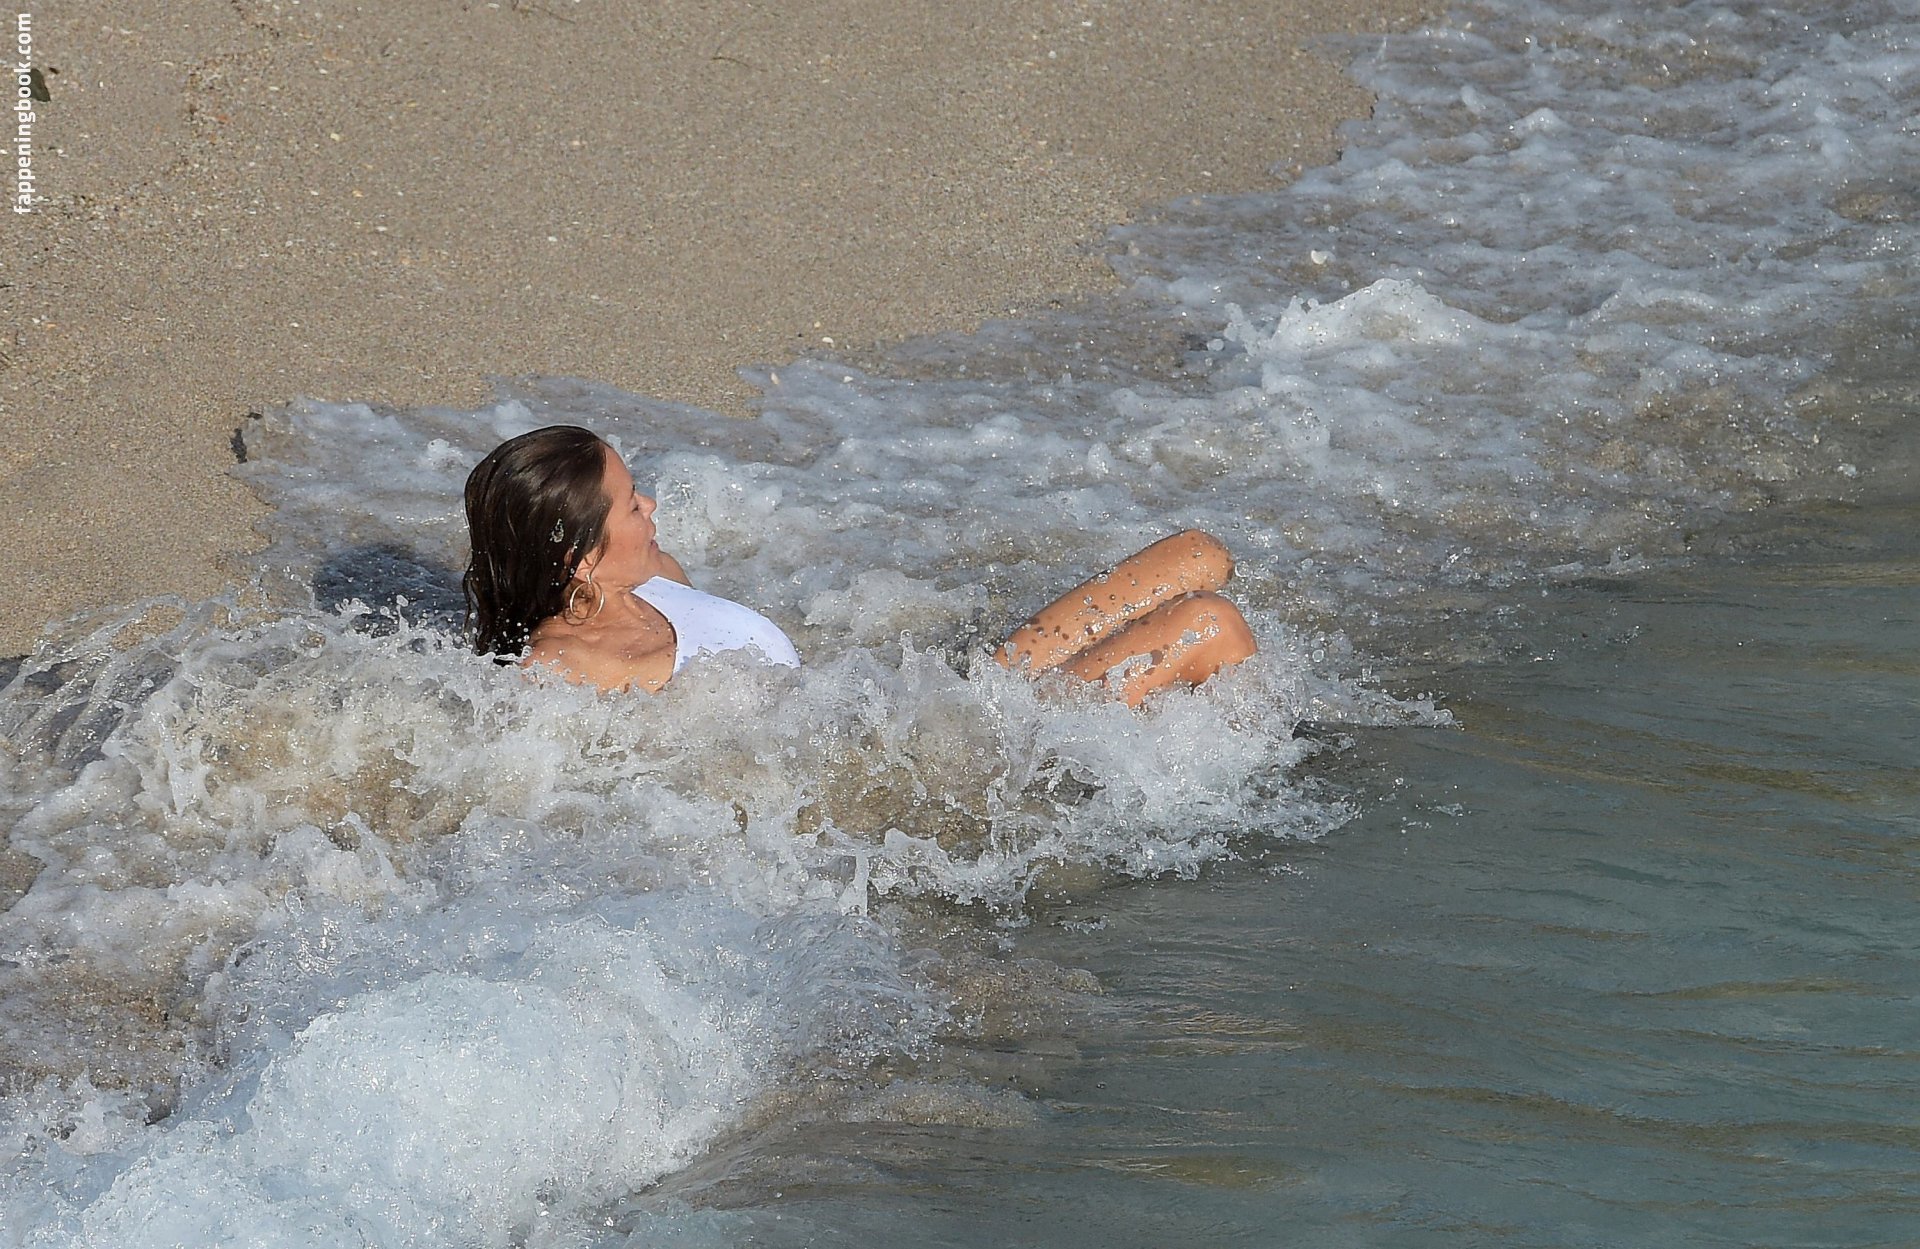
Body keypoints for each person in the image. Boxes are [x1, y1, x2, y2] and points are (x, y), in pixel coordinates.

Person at [463, 425, 1255, 704]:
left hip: (923, 709)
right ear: (578, 557)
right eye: (632, 504)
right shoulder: (565, 672)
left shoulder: (656, 576)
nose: (652, 506)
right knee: (1210, 625)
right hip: (938, 781)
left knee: (1199, 555)